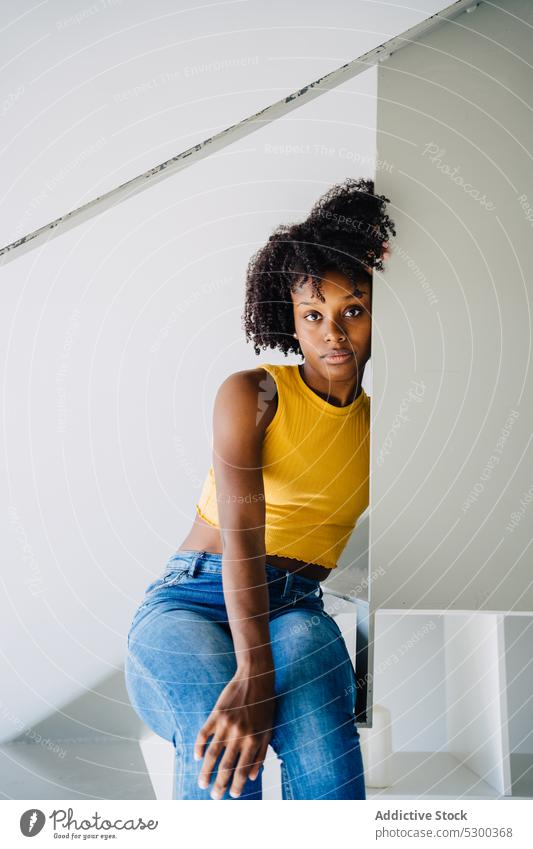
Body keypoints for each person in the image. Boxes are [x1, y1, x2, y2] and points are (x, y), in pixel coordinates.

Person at [125, 176, 396, 800]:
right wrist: (252, 670)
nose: (333, 332)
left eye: (352, 311)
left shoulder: (385, 425)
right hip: (191, 597)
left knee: (322, 733)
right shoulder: (255, 395)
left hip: (294, 605)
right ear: (291, 323)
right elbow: (244, 533)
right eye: (313, 315)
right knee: (216, 719)